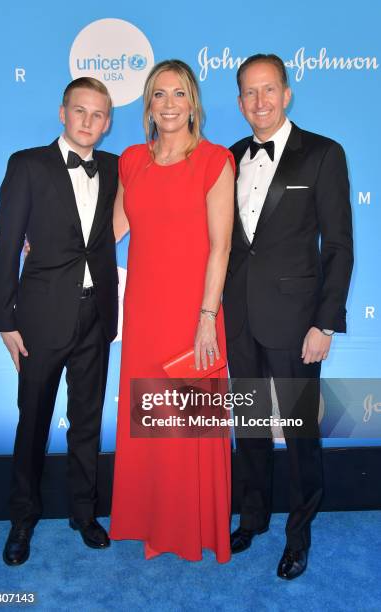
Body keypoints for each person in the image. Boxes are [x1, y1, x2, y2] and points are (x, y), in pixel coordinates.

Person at [223, 54, 353, 579]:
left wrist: (325, 323)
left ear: (287, 93)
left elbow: (339, 246)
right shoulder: (228, 157)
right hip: (239, 319)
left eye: (269, 90)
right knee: (249, 427)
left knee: (299, 433)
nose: (260, 102)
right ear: (238, 102)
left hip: (299, 323)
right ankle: (252, 517)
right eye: (250, 93)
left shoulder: (323, 154)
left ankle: (298, 534)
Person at [0, 77, 119, 566]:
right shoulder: (27, 165)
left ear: (108, 122)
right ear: (62, 113)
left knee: (86, 422)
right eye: (81, 111)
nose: (89, 122)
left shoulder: (113, 167)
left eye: (99, 114)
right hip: (40, 317)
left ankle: (84, 514)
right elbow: (6, 247)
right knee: (33, 422)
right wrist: (5, 320)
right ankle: (22, 519)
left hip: (97, 315)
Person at [109, 59, 235, 562]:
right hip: (143, 312)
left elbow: (220, 247)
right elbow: (110, 230)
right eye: (158, 94)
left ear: (193, 103)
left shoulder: (214, 160)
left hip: (192, 313)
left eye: (178, 94)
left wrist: (207, 317)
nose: (168, 104)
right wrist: (50, 244)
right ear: (147, 104)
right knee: (148, 421)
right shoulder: (131, 160)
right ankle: (149, 522)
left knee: (188, 426)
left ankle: (190, 529)